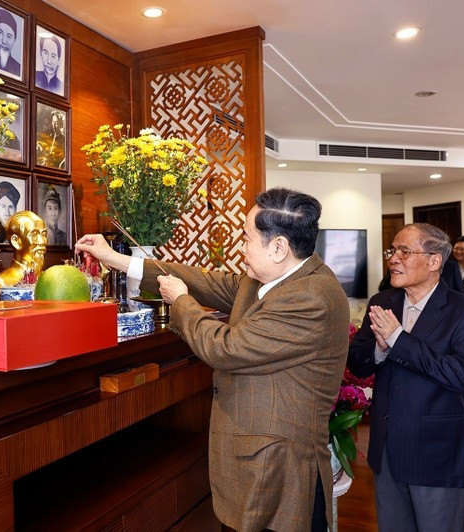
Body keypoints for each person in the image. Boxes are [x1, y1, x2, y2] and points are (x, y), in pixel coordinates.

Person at [76, 187, 350, 531]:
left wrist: (181, 302)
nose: (243, 247)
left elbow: (226, 348)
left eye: (248, 237)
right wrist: (117, 259)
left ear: (279, 247)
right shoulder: (278, 278)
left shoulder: (311, 297)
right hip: (256, 460)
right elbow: (208, 282)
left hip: (279, 470)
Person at [348, 223, 464, 532]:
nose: (393, 258)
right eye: (392, 250)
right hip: (386, 453)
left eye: (404, 251)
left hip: (436, 455)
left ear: (434, 261)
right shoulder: (381, 303)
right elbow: (357, 362)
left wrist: (398, 339)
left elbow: (463, 375)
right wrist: (380, 351)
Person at [0, 211, 47, 287]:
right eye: (34, 235)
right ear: (16, 241)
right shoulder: (3, 282)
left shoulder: (49, 280)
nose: (43, 242)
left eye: (44, 234)